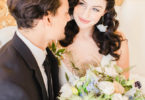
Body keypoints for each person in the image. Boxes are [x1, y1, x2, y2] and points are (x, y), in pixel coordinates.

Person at [0, 0, 70, 99]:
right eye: (66, 13)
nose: (68, 18)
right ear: (48, 19)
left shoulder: (47, 56)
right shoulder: (10, 84)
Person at [59, 0, 129, 86]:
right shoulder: (55, 37)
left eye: (95, 9)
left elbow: (125, 87)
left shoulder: (117, 41)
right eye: (82, 4)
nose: (85, 14)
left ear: (105, 11)